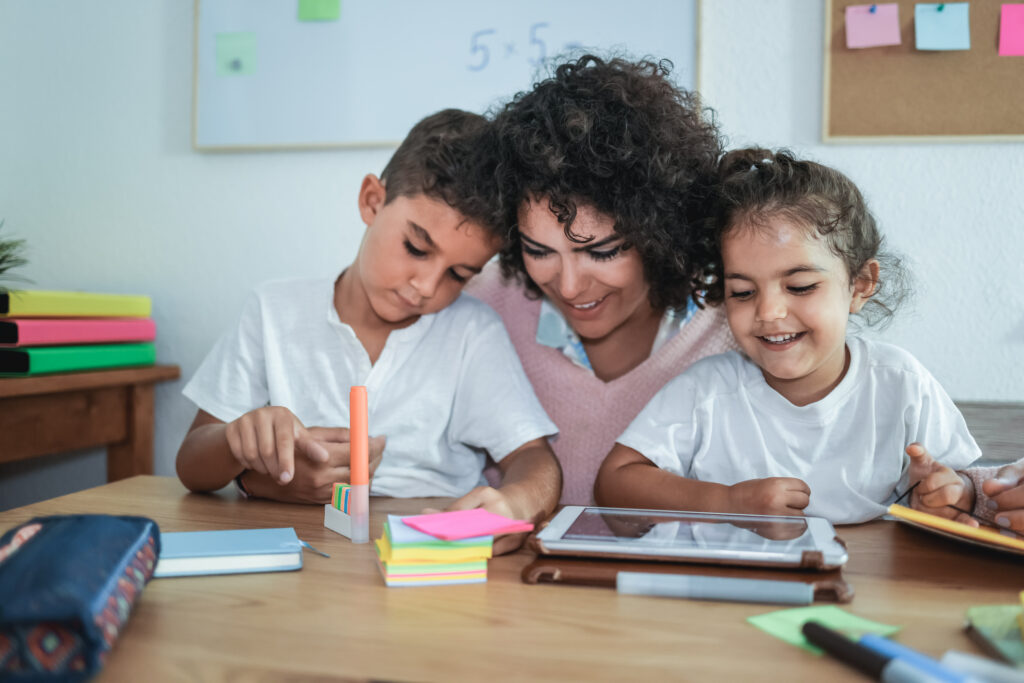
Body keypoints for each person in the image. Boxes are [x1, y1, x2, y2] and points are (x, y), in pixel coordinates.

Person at [176, 109, 561, 549]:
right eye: (416, 248)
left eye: (459, 274)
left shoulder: (471, 332)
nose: (426, 286)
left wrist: (514, 505)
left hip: (425, 554)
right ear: (372, 201)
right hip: (298, 550)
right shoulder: (273, 310)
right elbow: (191, 465)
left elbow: (536, 460)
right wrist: (237, 442)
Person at [596, 148, 1024, 527]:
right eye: (742, 292)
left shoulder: (901, 384)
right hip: (725, 598)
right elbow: (615, 483)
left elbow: (966, 488)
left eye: (799, 286)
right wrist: (726, 501)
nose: (768, 312)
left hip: (862, 597)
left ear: (859, 284)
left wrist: (950, 495)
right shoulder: (706, 390)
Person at [465, 54, 735, 505]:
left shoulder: (736, 322)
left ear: (659, 231)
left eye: (603, 251)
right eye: (538, 251)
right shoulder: (486, 304)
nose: (568, 286)